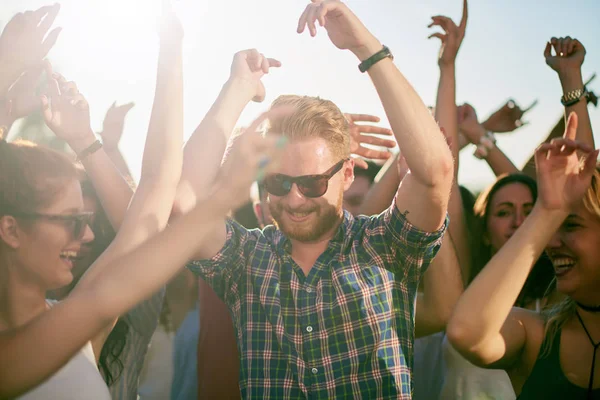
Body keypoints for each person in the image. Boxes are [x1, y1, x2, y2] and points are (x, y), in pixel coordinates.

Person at [186, 1, 455, 398]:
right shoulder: (246, 258)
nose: (295, 199)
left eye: (312, 183)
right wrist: (236, 91)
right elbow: (186, 200)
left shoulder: (384, 246)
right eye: (278, 182)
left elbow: (435, 172)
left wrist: (366, 47)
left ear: (347, 173)